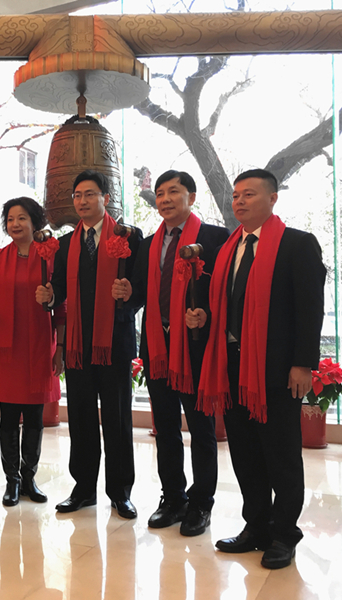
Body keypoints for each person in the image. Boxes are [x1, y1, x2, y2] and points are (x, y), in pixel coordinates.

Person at [193, 169, 325, 569]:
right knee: (245, 451)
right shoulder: (228, 249)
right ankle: (256, 527)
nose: (239, 201)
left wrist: (303, 363)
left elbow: (310, 310)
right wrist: (204, 318)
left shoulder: (297, 244)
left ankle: (284, 534)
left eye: (249, 194)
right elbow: (226, 305)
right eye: (236, 195)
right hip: (232, 364)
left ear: (272, 199)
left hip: (278, 366)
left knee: (280, 453)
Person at [125, 170, 229, 535]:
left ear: (192, 197)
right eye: (160, 194)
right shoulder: (148, 244)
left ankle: (201, 503)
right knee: (165, 427)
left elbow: (226, 291)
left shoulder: (215, 238)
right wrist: (127, 294)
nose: (165, 199)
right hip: (158, 346)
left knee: (201, 429)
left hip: (197, 347)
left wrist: (207, 314)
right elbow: (140, 294)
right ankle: (172, 498)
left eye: (173, 192)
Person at [35, 170, 143, 519]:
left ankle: (120, 492)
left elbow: (140, 288)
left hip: (114, 343)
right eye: (78, 195)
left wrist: (130, 295)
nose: (82, 201)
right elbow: (59, 290)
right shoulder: (65, 244)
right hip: (79, 345)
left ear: (105, 199)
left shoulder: (129, 237)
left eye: (90, 194)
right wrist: (50, 296)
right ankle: (83, 489)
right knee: (81, 419)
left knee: (117, 419)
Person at [0, 197, 66, 507]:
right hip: (6, 349)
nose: (15, 224)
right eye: (10, 219)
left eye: (21, 218)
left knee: (35, 416)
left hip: (39, 345)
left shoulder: (50, 256)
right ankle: (12, 480)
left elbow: (61, 306)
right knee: (9, 417)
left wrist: (61, 348)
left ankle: (29, 477)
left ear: (35, 221)